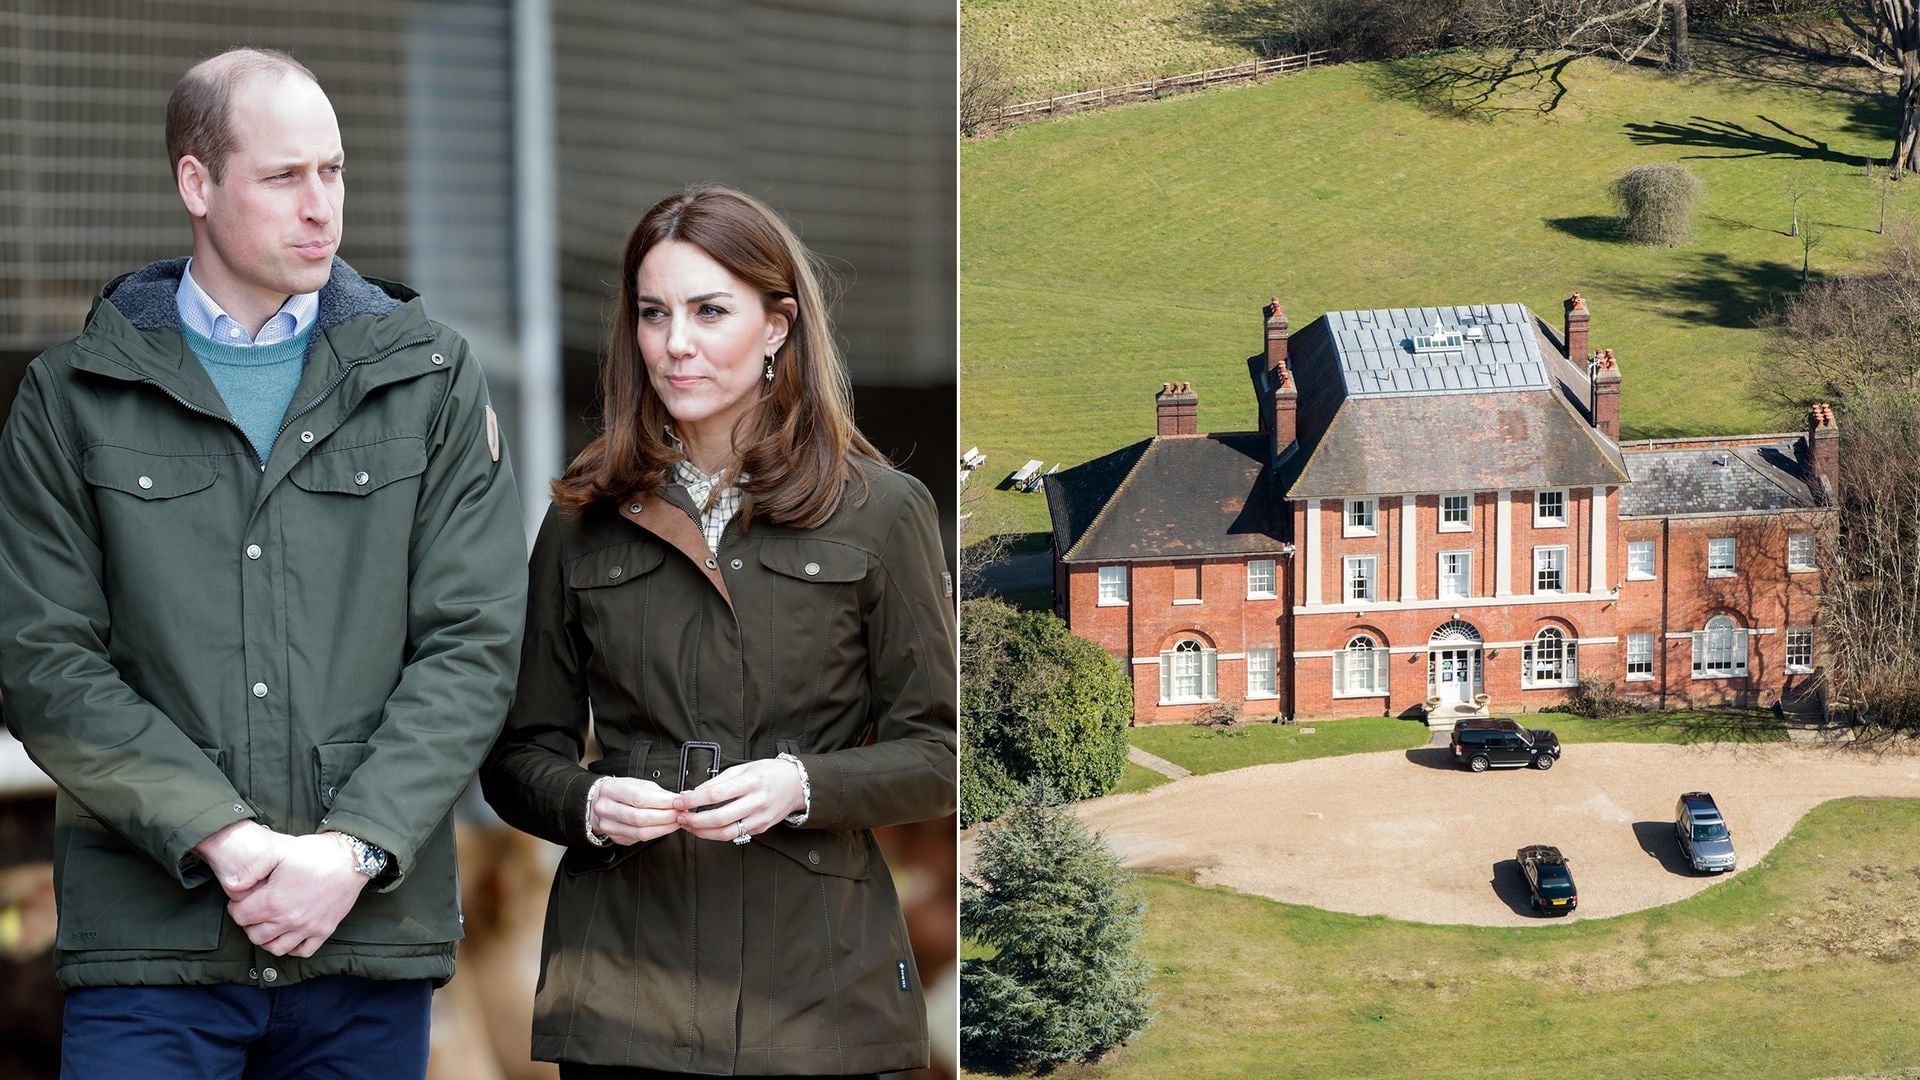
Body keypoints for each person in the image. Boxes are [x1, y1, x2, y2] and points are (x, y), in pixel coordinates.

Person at [0, 47, 527, 1078]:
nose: (320, 206)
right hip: (151, 956)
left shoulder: (430, 382)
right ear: (195, 184)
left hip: (361, 944)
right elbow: (43, 660)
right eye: (284, 177)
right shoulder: (72, 398)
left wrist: (353, 849)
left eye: (332, 172)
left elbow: (474, 640)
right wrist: (226, 842)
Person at [480, 186, 956, 1079]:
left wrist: (801, 784)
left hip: (820, 993)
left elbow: (939, 752)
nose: (676, 343)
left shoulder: (881, 511)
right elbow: (517, 756)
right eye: (653, 314)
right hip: (622, 988)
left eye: (709, 311)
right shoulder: (585, 519)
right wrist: (585, 803)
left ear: (778, 326)